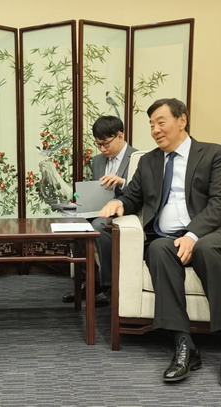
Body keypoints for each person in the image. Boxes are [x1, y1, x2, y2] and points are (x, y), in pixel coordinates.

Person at [99, 98, 221, 387]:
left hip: (211, 232)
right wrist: (120, 204)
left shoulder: (214, 154)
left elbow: (220, 204)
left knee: (205, 249)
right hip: (167, 237)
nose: (155, 130)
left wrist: (192, 236)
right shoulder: (149, 161)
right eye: (151, 125)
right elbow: (133, 197)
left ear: (182, 120)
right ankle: (184, 345)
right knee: (157, 249)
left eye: (161, 122)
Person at [62, 115, 137, 307]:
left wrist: (122, 182)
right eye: (98, 145)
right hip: (100, 210)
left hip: (126, 212)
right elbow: (97, 191)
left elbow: (144, 191)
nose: (102, 149)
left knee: (98, 225)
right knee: (73, 223)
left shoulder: (138, 158)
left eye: (105, 144)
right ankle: (86, 282)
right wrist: (80, 203)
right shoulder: (97, 161)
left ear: (120, 136)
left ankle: (109, 287)